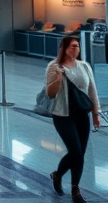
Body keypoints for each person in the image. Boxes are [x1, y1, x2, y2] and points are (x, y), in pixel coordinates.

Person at [45, 36, 100, 203]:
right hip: (62, 115)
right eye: (72, 47)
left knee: (80, 154)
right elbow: (50, 93)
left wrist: (96, 114)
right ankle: (68, 183)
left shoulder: (84, 66)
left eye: (77, 46)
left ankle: (69, 183)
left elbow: (92, 91)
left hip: (82, 115)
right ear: (63, 48)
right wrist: (58, 78)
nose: (75, 50)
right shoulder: (53, 66)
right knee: (75, 151)